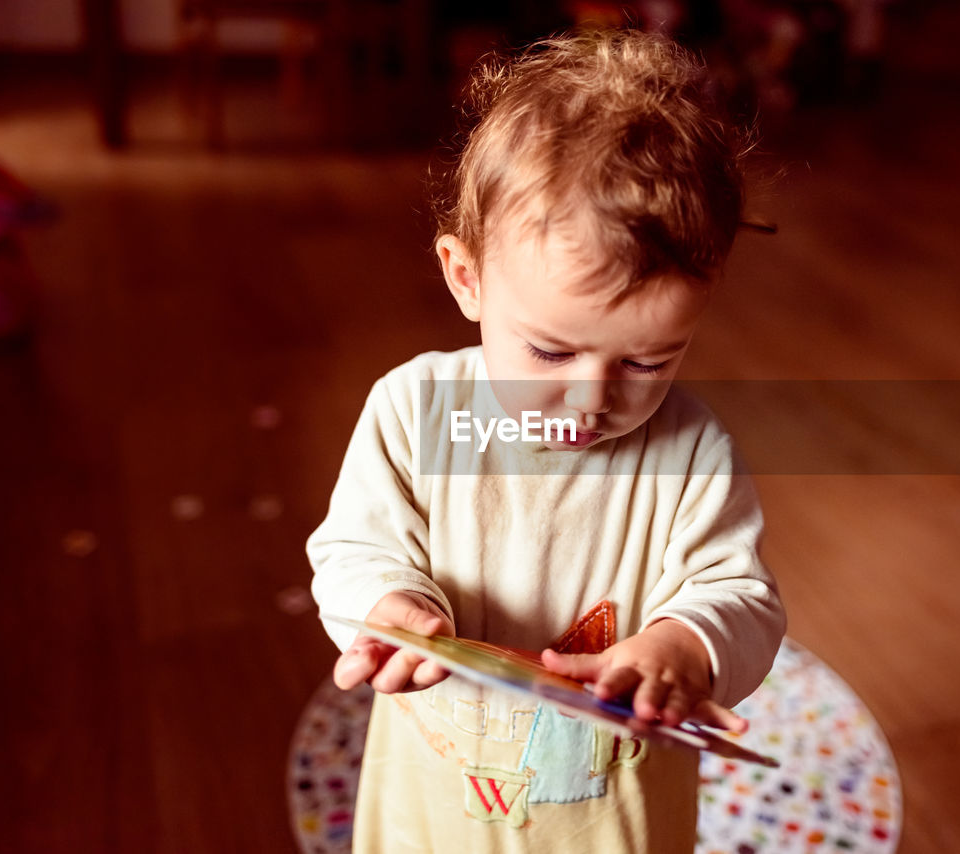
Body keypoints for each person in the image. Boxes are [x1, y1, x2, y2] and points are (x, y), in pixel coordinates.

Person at [307, 27, 785, 853]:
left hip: (613, 824)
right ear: (468, 278)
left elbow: (741, 597)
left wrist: (684, 645)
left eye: (647, 359)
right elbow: (352, 549)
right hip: (436, 814)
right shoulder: (413, 412)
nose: (592, 395)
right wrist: (387, 607)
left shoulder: (693, 453)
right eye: (552, 350)